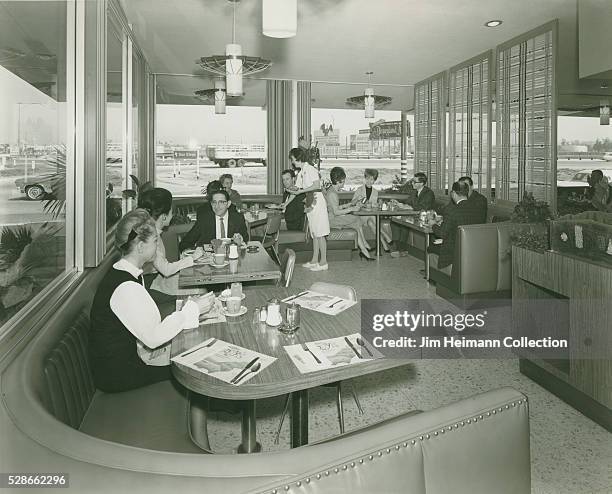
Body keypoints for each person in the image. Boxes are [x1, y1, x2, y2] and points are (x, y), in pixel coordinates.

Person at [89, 209, 214, 393]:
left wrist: (189, 309)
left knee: (195, 349)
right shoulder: (126, 287)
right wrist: (192, 309)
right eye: (155, 241)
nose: (157, 246)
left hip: (128, 359)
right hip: (119, 375)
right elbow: (154, 338)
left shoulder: (125, 272)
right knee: (194, 369)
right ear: (140, 247)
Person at [138, 188, 204, 299]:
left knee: (199, 282)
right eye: (171, 212)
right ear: (164, 217)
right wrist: (193, 258)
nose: (173, 215)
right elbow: (166, 270)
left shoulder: (151, 230)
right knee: (201, 289)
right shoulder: (151, 237)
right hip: (151, 285)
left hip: (156, 278)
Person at [288, 148, 330, 270]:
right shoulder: (301, 172)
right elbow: (296, 190)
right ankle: (314, 260)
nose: (292, 161)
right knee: (314, 233)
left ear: (297, 158)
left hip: (317, 201)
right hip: (310, 201)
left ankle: (323, 263)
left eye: (292, 158)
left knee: (320, 233)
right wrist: (285, 203)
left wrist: (301, 191)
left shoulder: (311, 169)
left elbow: (316, 186)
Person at [430, 181, 482, 269]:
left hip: (453, 250)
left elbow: (441, 233)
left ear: (453, 193)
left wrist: (433, 224)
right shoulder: (478, 208)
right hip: (474, 247)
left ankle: (432, 276)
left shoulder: (452, 211)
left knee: (431, 247)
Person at [326, 167, 374, 261]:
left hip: (332, 218)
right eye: (343, 181)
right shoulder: (332, 194)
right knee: (356, 219)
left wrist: (349, 204)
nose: (343, 183)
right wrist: (352, 208)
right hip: (331, 220)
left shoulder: (331, 190)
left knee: (355, 222)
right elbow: (336, 212)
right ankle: (364, 247)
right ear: (339, 180)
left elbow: (335, 208)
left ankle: (364, 250)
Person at [179, 188, 248, 251]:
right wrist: (197, 250)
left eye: (221, 202)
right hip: (209, 261)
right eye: (214, 202)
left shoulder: (237, 218)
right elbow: (185, 243)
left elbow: (246, 240)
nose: (217, 206)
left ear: (228, 204)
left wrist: (240, 241)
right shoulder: (204, 219)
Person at [390, 173, 436, 257]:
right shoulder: (414, 192)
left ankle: (401, 250)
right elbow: (408, 202)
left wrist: (409, 207)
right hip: (414, 215)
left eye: (414, 182)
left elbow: (423, 207)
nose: (412, 183)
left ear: (421, 183)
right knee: (394, 221)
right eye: (412, 181)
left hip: (424, 217)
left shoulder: (428, 193)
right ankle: (397, 246)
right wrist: (399, 203)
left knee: (405, 224)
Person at [350, 168, 393, 250]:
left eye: (372, 179)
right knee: (373, 219)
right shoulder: (359, 190)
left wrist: (376, 204)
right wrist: (358, 201)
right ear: (365, 179)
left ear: (374, 180)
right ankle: (386, 237)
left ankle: (384, 245)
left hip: (370, 216)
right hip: (360, 217)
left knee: (371, 222)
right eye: (368, 179)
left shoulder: (375, 192)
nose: (369, 181)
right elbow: (352, 203)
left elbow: (373, 205)